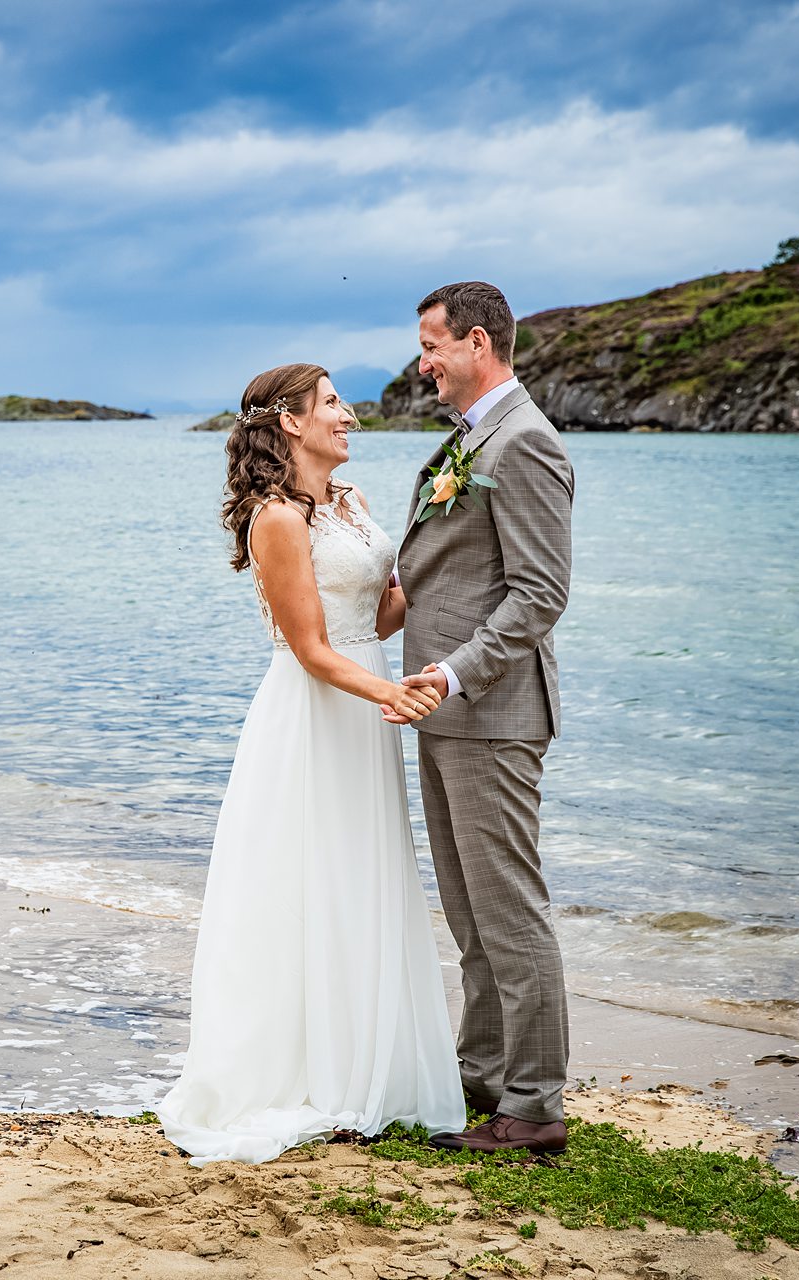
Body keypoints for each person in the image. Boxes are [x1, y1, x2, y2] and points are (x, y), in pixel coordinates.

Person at [156, 362, 466, 1166]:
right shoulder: (275, 521)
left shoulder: (349, 502)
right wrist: (391, 693)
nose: (349, 415)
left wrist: (443, 538)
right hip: (315, 711)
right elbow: (311, 648)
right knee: (306, 878)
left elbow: (379, 614)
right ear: (290, 421)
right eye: (332, 403)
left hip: (364, 708)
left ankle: (371, 1064)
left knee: (362, 873)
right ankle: (308, 1071)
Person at [388, 281, 576, 1155]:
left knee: (509, 912)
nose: (422, 363)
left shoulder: (525, 441)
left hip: (491, 709)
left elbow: (539, 595)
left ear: (476, 342)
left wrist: (455, 674)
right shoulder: (470, 438)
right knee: (470, 915)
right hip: (444, 708)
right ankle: (484, 1073)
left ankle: (533, 1107)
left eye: (431, 346)